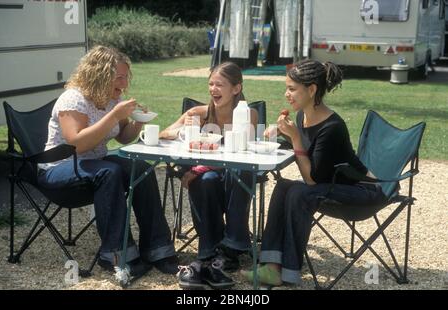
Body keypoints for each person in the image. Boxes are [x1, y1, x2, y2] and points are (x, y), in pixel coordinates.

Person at [241, 59, 387, 287]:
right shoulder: (303, 116)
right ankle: (270, 264)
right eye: (287, 88)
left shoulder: (332, 126)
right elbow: (307, 154)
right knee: (284, 186)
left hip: (362, 192)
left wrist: (295, 137)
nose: (286, 94)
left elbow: (311, 179)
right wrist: (283, 135)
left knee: (299, 191)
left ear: (311, 89)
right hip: (332, 186)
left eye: (292, 89)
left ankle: (289, 271)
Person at [37, 46, 178, 279]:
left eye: (125, 77)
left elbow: (123, 136)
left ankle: (157, 249)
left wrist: (138, 123)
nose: (123, 84)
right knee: (110, 171)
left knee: (140, 168)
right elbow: (77, 145)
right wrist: (113, 115)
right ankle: (116, 256)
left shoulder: (112, 98)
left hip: (95, 166)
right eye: (118, 77)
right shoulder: (73, 98)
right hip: (59, 169)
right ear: (99, 75)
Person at [160, 62, 258, 289]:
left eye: (219, 84)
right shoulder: (198, 114)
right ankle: (210, 251)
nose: (213, 89)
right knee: (206, 180)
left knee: (238, 172)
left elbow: (242, 155)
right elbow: (165, 133)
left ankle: (231, 246)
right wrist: (185, 130)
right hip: (206, 177)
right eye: (210, 84)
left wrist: (201, 168)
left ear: (236, 88)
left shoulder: (248, 114)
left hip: (233, 175)